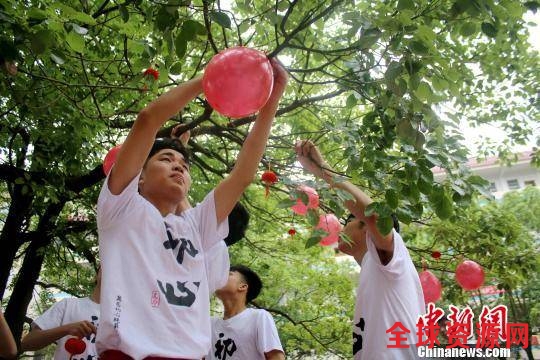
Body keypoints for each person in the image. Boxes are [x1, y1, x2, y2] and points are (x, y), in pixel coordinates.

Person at [96, 60, 288, 359]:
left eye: (184, 166)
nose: (178, 166)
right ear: (140, 176)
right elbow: (148, 118)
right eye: (166, 159)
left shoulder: (196, 226)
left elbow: (243, 174)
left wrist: (272, 99)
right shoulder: (120, 208)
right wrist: (214, 77)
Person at [295, 140, 425, 360]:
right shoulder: (372, 268)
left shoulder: (394, 256)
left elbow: (375, 216)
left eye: (348, 221)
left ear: (366, 227)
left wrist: (323, 169)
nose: (340, 229)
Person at [21, 268, 101, 359]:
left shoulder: (120, 317)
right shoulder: (68, 305)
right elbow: (26, 344)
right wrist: (66, 329)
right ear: (96, 276)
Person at [207, 265, 284, 360]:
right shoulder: (209, 324)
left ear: (242, 286)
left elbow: (276, 357)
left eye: (229, 274)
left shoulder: (258, 317)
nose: (221, 277)